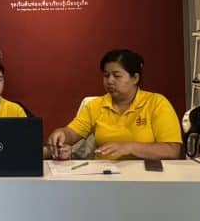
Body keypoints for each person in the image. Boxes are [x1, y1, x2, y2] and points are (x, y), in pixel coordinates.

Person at [47, 49, 182, 160]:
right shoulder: (95, 105)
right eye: (106, 75)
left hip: (146, 177)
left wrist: (129, 147)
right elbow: (72, 133)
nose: (110, 81)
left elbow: (172, 150)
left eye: (117, 76)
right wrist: (62, 133)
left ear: (135, 78)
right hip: (104, 175)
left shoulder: (156, 103)